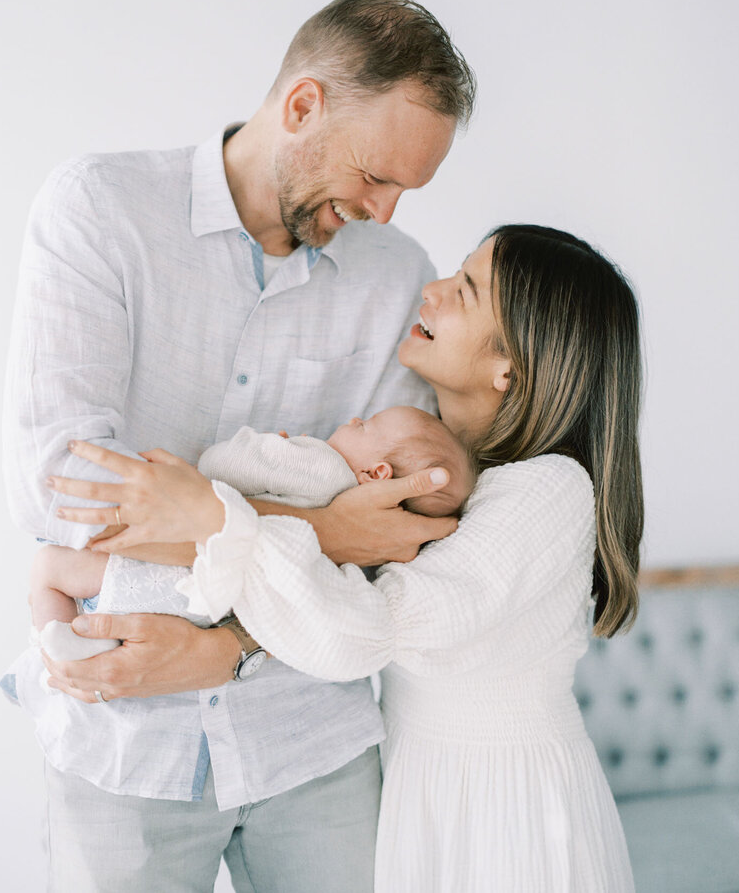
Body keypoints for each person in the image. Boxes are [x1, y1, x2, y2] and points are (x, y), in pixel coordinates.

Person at [1, 0, 476, 893]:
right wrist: (320, 532)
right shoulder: (99, 212)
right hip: (121, 734)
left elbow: (394, 535)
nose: (385, 209)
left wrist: (226, 634)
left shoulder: (396, 277)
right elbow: (56, 488)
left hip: (313, 734)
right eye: (377, 174)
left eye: (408, 189)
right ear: (302, 107)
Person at [51, 224, 642, 892]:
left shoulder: (547, 491)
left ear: (508, 366)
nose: (433, 290)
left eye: (466, 289)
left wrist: (218, 520)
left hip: (500, 803)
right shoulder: (440, 458)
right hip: (419, 782)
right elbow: (336, 563)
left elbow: (365, 626)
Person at [30, 407, 475, 661]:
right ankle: (89, 638)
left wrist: (261, 446)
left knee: (49, 567)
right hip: (215, 608)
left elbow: (220, 469)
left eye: (365, 426)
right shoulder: (366, 543)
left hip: (173, 567)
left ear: (377, 472)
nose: (355, 418)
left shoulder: (320, 463)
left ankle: (57, 639)